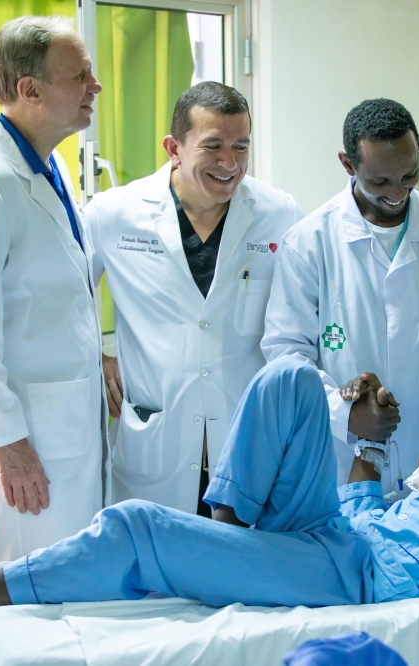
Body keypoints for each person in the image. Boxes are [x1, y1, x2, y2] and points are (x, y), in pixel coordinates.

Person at [0, 356, 419, 608]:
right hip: (343, 532)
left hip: (371, 579)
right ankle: (227, 532)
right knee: (289, 376)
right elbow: (380, 509)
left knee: (134, 526)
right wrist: (370, 439)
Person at [262, 98, 419, 494]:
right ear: (348, 165)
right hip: (345, 460)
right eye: (380, 181)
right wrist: (343, 412)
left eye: (409, 175)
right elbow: (287, 354)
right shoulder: (309, 244)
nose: (398, 192)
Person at [81, 82, 302, 515]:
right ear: (173, 147)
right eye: (213, 146)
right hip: (156, 438)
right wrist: (98, 356)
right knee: (153, 574)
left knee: (237, 572)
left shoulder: (279, 214)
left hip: (245, 438)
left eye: (241, 147)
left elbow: (305, 312)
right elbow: (64, 298)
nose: (229, 163)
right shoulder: (114, 214)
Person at [0, 16, 105, 561]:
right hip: (26, 440)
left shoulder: (49, 165)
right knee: (26, 591)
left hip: (63, 421)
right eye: (79, 75)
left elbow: (52, 290)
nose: (94, 86)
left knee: (65, 580)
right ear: (30, 91)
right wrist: (8, 445)